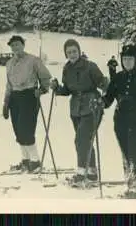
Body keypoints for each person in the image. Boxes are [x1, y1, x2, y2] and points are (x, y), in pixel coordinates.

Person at [49, 39, 109, 186]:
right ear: (66, 54)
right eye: (69, 52)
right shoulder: (67, 69)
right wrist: (57, 88)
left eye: (74, 51)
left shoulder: (90, 66)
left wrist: (105, 97)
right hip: (76, 109)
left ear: (79, 51)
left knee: (81, 140)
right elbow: (67, 90)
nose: (72, 54)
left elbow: (104, 84)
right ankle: (92, 172)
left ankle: (81, 172)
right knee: (85, 141)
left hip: (92, 106)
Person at [101, 44, 136, 199]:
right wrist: (100, 103)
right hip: (120, 120)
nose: (127, 62)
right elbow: (108, 98)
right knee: (126, 153)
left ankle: (135, 187)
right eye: (124, 59)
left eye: (130, 59)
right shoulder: (118, 78)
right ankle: (129, 182)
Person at [2, 35, 52, 173]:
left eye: (17, 44)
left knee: (27, 129)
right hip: (14, 97)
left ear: (23, 45)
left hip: (29, 96)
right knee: (18, 130)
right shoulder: (9, 63)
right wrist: (6, 102)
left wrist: (42, 89)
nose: (15, 47)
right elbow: (9, 84)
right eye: (12, 45)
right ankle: (25, 161)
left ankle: (35, 162)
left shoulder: (33, 60)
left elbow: (46, 76)